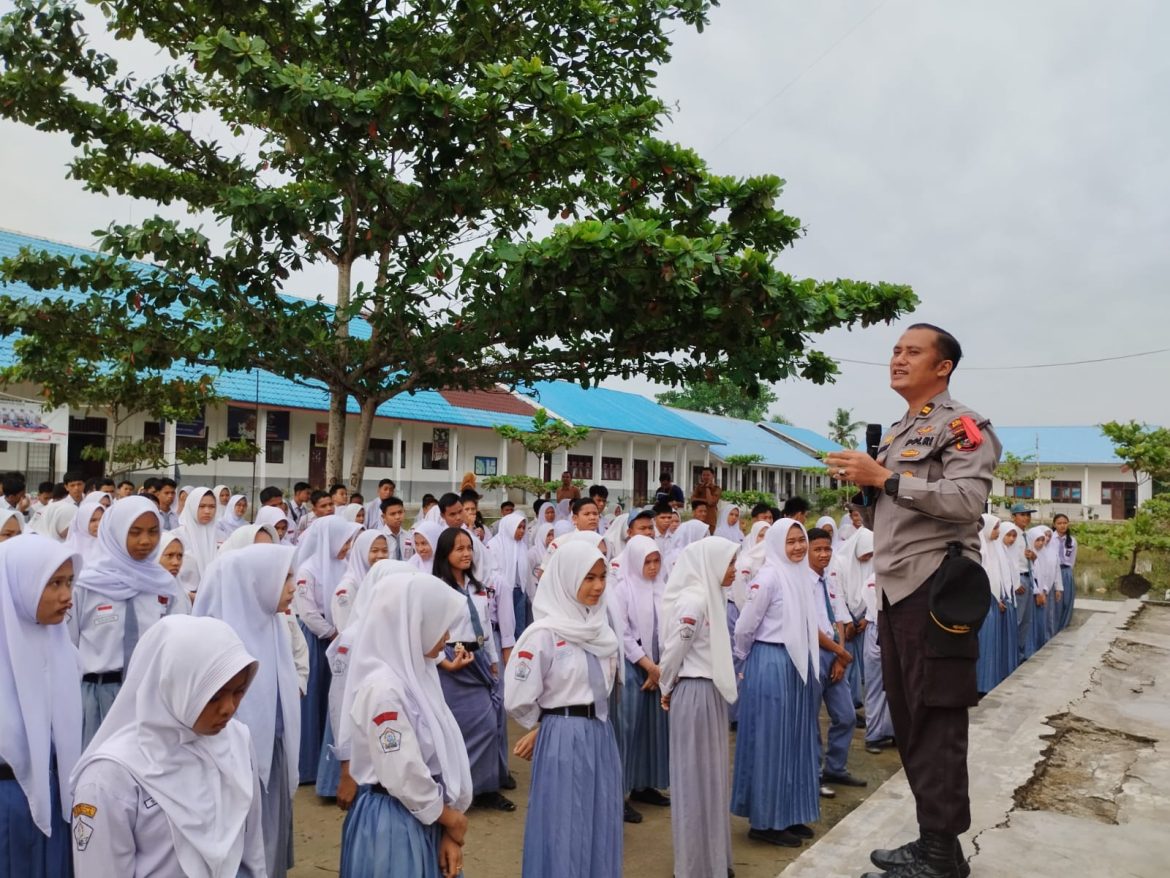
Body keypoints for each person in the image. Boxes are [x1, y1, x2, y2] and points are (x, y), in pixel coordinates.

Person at [825, 323, 1000, 878]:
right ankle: (933, 844)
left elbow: (968, 501)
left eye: (912, 352)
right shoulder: (902, 430)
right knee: (910, 717)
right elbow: (888, 514)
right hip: (897, 590)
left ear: (942, 366)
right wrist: (867, 487)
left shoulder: (963, 426)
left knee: (938, 721)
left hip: (935, 589)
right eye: (896, 351)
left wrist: (887, 478)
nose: (897, 359)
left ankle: (942, 855)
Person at [70, 615, 267, 877]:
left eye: (239, 691)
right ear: (171, 685)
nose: (229, 708)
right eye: (214, 696)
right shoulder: (111, 778)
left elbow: (251, 849)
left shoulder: (236, 741)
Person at [338, 574, 472, 878]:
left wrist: (447, 823)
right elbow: (401, 769)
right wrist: (449, 818)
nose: (448, 634)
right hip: (395, 819)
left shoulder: (417, 674)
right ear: (413, 623)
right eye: (440, 624)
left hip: (425, 813)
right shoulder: (383, 690)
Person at [505, 541, 623, 878]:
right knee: (564, 822)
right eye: (588, 578)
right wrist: (545, 724)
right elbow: (518, 696)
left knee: (600, 817)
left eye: (602, 577)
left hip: (600, 732)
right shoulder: (544, 634)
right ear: (567, 578)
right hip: (564, 737)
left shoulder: (600, 630)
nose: (598, 586)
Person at [193, 544, 301, 877]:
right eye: (284, 578)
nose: (292, 587)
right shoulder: (218, 636)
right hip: (232, 758)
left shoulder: (274, 624)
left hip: (273, 749)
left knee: (268, 836)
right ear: (255, 582)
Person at [731, 520, 821, 847]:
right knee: (771, 742)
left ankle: (790, 813)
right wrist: (744, 660)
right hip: (771, 662)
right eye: (791, 542)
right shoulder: (768, 577)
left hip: (797, 665)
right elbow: (744, 627)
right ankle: (765, 822)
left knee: (795, 740)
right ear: (776, 544)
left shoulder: (800, 577)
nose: (798, 547)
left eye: (802, 540)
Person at [68, 496, 184, 746]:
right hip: (98, 696)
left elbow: (178, 644)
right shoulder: (86, 585)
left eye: (153, 532)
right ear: (115, 533)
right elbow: (69, 645)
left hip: (150, 697)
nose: (145, 541)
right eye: (135, 532)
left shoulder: (165, 586)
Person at [657, 537, 740, 878]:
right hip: (693, 691)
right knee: (694, 780)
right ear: (712, 564)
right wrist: (666, 685)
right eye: (730, 563)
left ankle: (714, 861)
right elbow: (675, 649)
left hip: (708, 693)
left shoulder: (710, 595)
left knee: (710, 778)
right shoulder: (695, 600)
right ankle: (694, 866)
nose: (735, 571)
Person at [0, 535, 82, 877]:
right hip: (8, 804)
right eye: (53, 584)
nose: (66, 596)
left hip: (56, 793)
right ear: (20, 586)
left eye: (69, 582)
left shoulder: (63, 650)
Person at [432, 527, 513, 812]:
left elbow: (487, 629)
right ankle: (456, 789)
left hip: (478, 659)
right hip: (452, 663)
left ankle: (486, 788)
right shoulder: (436, 590)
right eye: (459, 549)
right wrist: (445, 661)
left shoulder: (479, 587)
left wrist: (493, 661)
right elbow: (427, 634)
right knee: (457, 728)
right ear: (445, 554)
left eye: (469, 548)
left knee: (489, 724)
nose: (466, 553)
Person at [293, 515, 363, 785]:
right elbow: (307, 612)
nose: (347, 547)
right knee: (315, 700)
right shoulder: (307, 570)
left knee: (334, 701)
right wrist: (331, 632)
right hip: (317, 639)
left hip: (339, 638)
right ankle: (309, 765)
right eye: (344, 541)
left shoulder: (344, 566)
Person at [613, 535, 671, 816]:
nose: (652, 567)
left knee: (653, 730)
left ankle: (644, 784)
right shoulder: (622, 590)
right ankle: (620, 793)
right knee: (628, 731)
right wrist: (648, 666)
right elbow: (622, 635)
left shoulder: (663, 588)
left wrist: (660, 668)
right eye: (647, 561)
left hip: (659, 669)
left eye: (656, 560)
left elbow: (670, 628)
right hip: (633, 668)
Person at [807, 527, 867, 791]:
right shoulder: (801, 582)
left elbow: (839, 617)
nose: (824, 554)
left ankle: (835, 767)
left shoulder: (829, 580)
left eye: (827, 549)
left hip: (834, 654)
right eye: (817, 549)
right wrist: (839, 651)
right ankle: (814, 773)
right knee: (811, 721)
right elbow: (809, 626)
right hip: (813, 654)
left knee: (846, 716)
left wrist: (841, 656)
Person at [174, 487, 221, 598]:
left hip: (214, 600)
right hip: (184, 602)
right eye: (202, 506)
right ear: (192, 506)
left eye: (212, 507)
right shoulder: (176, 537)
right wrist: (189, 595)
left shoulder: (221, 537)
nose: (207, 511)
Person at [1053, 514, 1077, 630]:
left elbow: (1072, 560)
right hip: (1053, 572)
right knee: (1056, 601)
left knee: (1067, 601)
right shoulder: (1050, 538)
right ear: (1054, 525)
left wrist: (1068, 573)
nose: (1062, 526)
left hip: (1066, 572)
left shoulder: (1072, 541)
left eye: (1065, 523)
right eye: (1059, 523)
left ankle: (1064, 627)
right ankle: (1054, 627)